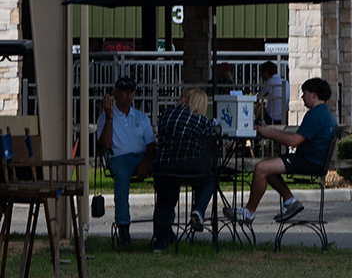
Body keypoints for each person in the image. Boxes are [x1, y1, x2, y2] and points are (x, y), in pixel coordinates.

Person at [224, 77, 336, 225]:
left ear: (314, 95)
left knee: (261, 168)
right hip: (313, 160)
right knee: (268, 167)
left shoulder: (315, 114)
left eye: (305, 93)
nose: (302, 97)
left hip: (308, 161)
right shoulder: (326, 113)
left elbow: (293, 141)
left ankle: (248, 212)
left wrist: (267, 132)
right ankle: (290, 200)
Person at [150, 87, 217, 251]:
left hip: (163, 167)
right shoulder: (203, 122)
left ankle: (161, 241)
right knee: (210, 178)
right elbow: (210, 147)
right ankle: (198, 209)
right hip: (191, 168)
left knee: (165, 201)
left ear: (185, 100)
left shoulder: (166, 114)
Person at [96, 75, 155, 246]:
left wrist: (146, 161)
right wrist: (109, 117)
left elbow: (151, 143)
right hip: (120, 157)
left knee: (164, 170)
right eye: (124, 92)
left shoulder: (141, 116)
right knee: (121, 175)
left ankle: (164, 224)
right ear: (115, 93)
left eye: (131, 92)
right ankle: (123, 226)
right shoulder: (104, 118)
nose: (128, 96)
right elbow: (106, 145)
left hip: (142, 156)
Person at [256, 61, 290, 125]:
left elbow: (258, 98)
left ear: (266, 72)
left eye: (261, 74)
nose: (261, 77)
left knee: (257, 120)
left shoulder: (269, 82)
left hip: (272, 117)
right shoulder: (285, 82)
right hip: (284, 116)